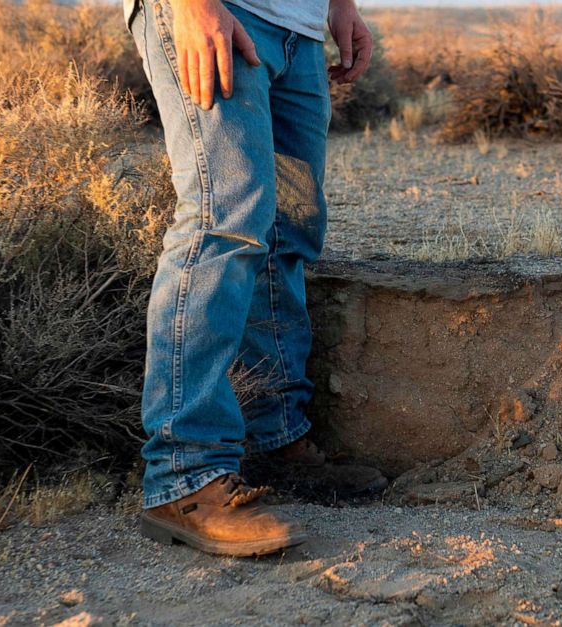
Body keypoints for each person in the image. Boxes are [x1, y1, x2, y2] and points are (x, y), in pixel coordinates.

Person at [122, 0, 384, 556]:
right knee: (223, 222)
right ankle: (183, 477)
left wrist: (340, 5)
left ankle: (275, 437)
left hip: (300, 29)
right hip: (220, 10)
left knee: (289, 232)